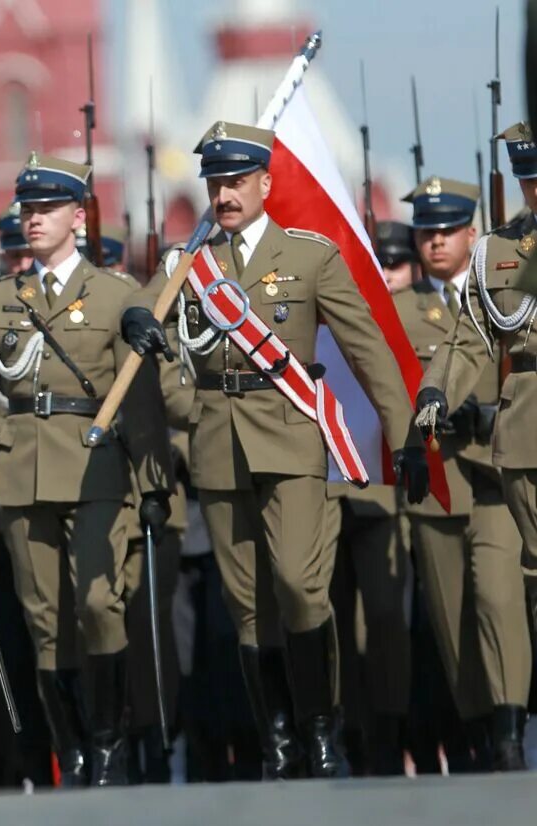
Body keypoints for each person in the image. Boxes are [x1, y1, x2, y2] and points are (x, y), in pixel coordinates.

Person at [122, 121, 429, 779]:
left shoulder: (310, 256)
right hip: (218, 444)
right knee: (249, 610)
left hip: (291, 441)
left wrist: (404, 440)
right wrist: (137, 316)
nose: (225, 193)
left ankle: (322, 728)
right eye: (216, 181)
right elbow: (146, 313)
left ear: (265, 182)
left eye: (237, 180)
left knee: (298, 585)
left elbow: (369, 352)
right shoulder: (188, 265)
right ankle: (281, 741)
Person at [0, 152, 173, 786]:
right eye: (27, 209)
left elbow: (140, 400)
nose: (32, 219)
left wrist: (153, 485)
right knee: (45, 622)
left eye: (45, 209)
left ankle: (110, 739)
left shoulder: (116, 294)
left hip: (95, 467)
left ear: (77, 218)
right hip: (22, 469)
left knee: (97, 603)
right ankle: (77, 748)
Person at [416, 141, 537, 770]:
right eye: (530, 180)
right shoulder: (501, 251)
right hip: (521, 439)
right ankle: (507, 730)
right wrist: (438, 386)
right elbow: (471, 338)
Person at [317, 220, 416, 775]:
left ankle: (388, 727)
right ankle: (348, 731)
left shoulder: (379, 322)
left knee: (383, 617)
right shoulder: (299, 326)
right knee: (331, 619)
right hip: (323, 493)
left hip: (375, 494)